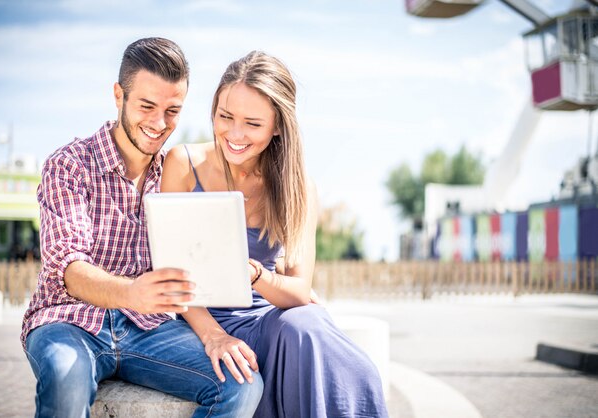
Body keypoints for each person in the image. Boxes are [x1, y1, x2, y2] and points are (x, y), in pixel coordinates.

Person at [21, 37, 262, 418]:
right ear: (119, 95)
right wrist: (132, 292)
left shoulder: (174, 171)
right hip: (69, 320)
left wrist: (215, 333)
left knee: (242, 382)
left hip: (148, 330)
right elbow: (68, 269)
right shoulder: (69, 165)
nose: (159, 123)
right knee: (67, 375)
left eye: (173, 110)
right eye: (146, 106)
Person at [162, 50, 389, 418]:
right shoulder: (184, 165)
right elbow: (170, 274)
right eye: (225, 117)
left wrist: (254, 273)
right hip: (202, 320)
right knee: (308, 330)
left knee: (310, 325)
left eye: (252, 124)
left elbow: (299, 292)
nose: (234, 134)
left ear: (278, 126)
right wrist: (213, 336)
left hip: (271, 321)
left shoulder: (299, 188)